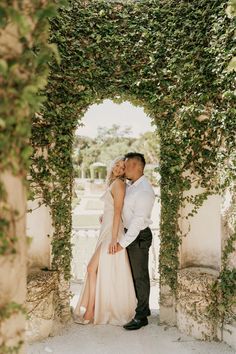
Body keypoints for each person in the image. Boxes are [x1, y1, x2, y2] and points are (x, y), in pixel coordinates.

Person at [74, 157, 137, 325]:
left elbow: (117, 213)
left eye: (122, 167)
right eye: (117, 164)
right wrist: (104, 215)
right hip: (108, 229)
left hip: (112, 233)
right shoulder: (114, 183)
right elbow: (115, 209)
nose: (118, 168)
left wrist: (114, 239)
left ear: (125, 172)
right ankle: (92, 310)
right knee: (98, 271)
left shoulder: (119, 184)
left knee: (91, 268)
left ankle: (91, 311)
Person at [114, 152, 155, 330]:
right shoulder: (132, 186)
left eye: (128, 165)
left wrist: (122, 244)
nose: (125, 168)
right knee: (133, 275)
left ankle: (142, 316)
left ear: (138, 167)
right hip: (130, 234)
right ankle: (142, 309)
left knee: (140, 277)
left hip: (138, 237)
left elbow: (138, 222)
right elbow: (124, 209)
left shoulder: (145, 190)